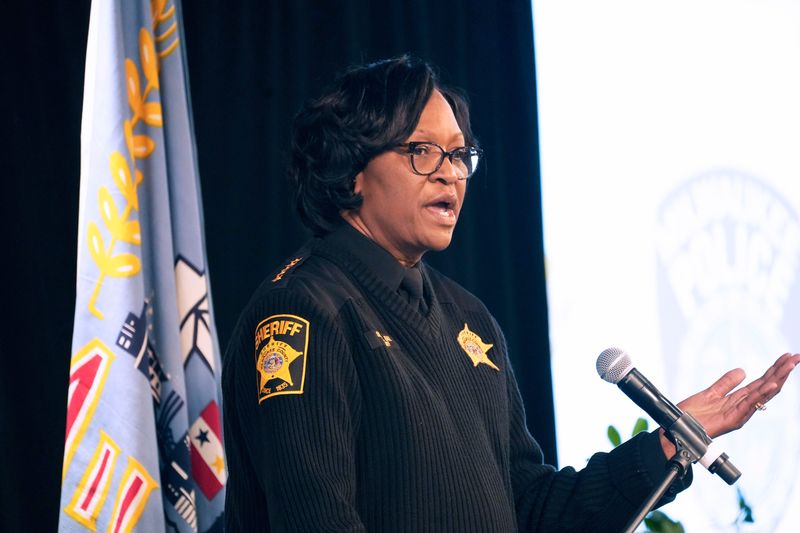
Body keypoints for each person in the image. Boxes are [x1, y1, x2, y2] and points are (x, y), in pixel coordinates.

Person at [221, 55, 800, 532]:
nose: (450, 174)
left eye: (459, 155)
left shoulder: (466, 318)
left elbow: (532, 511)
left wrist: (667, 446)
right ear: (352, 169)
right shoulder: (303, 311)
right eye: (422, 152)